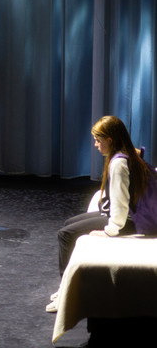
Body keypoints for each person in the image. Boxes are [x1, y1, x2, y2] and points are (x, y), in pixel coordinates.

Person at [47, 115, 157, 312]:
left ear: (110, 140)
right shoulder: (127, 153)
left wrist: (110, 231)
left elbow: (121, 204)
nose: (96, 145)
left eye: (98, 140)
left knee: (65, 235)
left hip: (129, 221)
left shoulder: (118, 164)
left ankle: (66, 294)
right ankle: (66, 284)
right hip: (128, 215)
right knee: (68, 225)